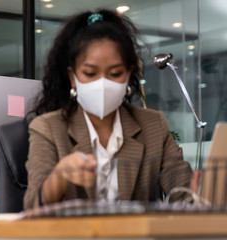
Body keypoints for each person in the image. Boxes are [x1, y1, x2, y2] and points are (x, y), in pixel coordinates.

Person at [23, 9, 192, 210]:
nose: (102, 83)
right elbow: (33, 205)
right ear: (72, 77)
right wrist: (60, 176)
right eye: (90, 73)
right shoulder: (48, 128)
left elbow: (185, 194)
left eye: (115, 73)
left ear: (129, 74)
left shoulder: (153, 125)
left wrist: (198, 195)